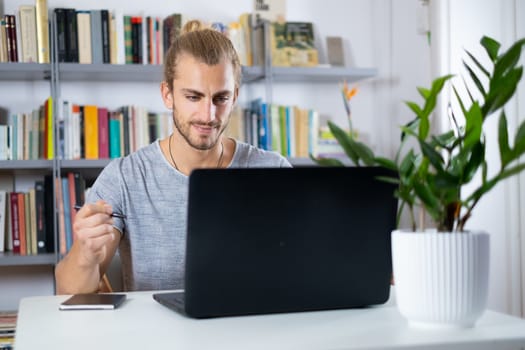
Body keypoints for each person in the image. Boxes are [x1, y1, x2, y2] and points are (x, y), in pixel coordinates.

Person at [55, 20, 291, 294]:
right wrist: (85, 254)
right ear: (168, 95)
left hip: (256, 330)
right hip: (156, 336)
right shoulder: (125, 178)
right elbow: (67, 293)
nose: (208, 115)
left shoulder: (275, 171)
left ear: (235, 96)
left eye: (220, 99)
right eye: (193, 97)